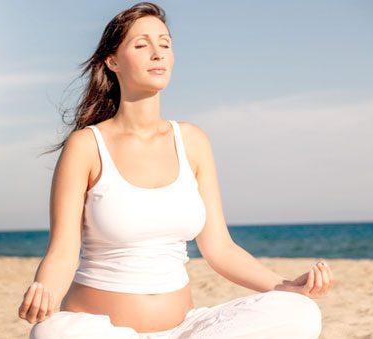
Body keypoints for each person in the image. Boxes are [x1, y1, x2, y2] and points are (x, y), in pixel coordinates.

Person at [18, 2, 334, 338]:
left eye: (165, 44)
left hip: (185, 329)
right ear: (112, 62)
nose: (158, 54)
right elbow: (63, 251)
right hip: (102, 330)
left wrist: (286, 286)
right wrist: (44, 292)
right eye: (141, 45)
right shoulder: (86, 146)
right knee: (51, 334)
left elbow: (220, 249)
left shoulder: (192, 141)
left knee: (299, 312)